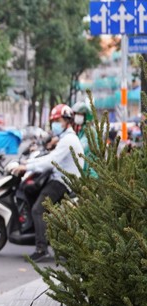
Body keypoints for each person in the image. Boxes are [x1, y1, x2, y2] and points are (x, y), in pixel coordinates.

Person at [13, 104, 84, 262]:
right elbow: (48, 155)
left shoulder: (69, 140)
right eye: (53, 120)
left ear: (66, 121)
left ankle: (41, 248)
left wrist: (26, 166)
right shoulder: (64, 138)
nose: (55, 123)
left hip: (63, 181)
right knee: (32, 191)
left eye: (57, 120)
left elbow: (51, 161)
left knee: (38, 209)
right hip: (58, 178)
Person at [72, 101, 97, 177]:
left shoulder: (89, 130)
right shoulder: (81, 131)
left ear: (86, 116)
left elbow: (82, 146)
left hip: (90, 173)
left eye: (80, 114)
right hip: (84, 171)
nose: (77, 116)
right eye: (76, 114)